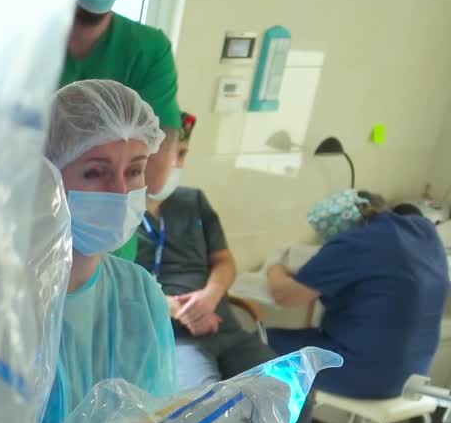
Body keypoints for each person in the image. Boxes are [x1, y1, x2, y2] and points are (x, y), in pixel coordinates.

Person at [40, 79, 177, 423]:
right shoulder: (2, 298)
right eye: (95, 172)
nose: (120, 192)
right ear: (46, 176)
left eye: (134, 171)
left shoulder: (139, 296)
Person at [266, 189, 451, 402]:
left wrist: (275, 269)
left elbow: (285, 296)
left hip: (366, 374)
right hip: (415, 373)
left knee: (259, 344)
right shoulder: (424, 231)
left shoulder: (353, 242)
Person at [135, 114, 278, 389]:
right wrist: (180, 310)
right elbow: (118, 284)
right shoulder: (121, 213)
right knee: (201, 403)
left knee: (286, 389)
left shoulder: (192, 201)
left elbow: (224, 261)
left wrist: (209, 297)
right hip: (170, 335)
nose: (179, 163)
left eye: (184, 154)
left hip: (222, 324)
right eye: (174, 154)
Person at [60, 0, 183, 258]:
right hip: (19, 246)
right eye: (95, 172)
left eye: (129, 170)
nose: (118, 187)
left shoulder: (148, 50)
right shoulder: (20, 43)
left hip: (110, 256)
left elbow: (155, 175)